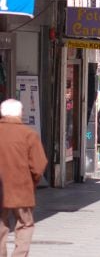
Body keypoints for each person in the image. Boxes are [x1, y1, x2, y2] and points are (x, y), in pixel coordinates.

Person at [0, 99, 48, 257]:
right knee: (25, 224)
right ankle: (19, 255)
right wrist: (32, 182)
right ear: (20, 114)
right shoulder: (29, 134)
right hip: (21, 188)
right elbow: (39, 164)